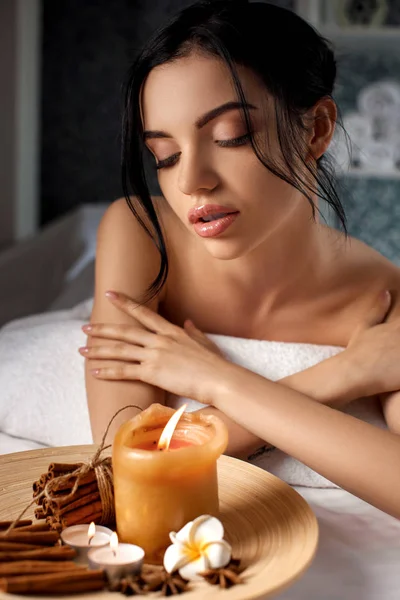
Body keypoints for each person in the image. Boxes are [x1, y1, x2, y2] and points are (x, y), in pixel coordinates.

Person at [79, 0, 400, 517]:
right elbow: (122, 469)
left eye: (231, 137)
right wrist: (347, 373)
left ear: (316, 129)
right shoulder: (140, 230)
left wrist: (215, 380)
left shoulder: (387, 298)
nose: (190, 182)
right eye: (166, 156)